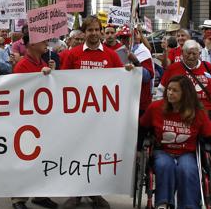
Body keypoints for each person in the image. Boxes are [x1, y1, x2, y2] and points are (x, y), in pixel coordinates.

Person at [61, 16, 133, 209]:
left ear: (101, 32)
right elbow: (61, 84)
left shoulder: (111, 56)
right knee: (76, 153)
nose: (93, 33)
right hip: (77, 116)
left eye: (96, 30)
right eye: (89, 30)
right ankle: (75, 193)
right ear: (83, 33)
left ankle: (95, 193)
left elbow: (121, 83)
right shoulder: (72, 54)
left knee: (98, 154)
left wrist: (128, 72)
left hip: (101, 118)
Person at [140, 76, 211, 209]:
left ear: (185, 93)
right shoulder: (156, 107)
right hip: (163, 150)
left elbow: (208, 135)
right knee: (164, 165)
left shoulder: (198, 112)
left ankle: (189, 205)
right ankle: (163, 203)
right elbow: (142, 127)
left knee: (187, 169)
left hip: (187, 152)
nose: (170, 93)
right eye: (169, 89)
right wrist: (139, 150)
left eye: (175, 90)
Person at [11, 32, 57, 209]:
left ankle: (40, 194)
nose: (47, 43)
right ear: (31, 44)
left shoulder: (43, 63)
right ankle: (18, 199)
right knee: (24, 160)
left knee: (42, 158)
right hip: (25, 121)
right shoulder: (22, 65)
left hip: (41, 120)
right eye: (43, 40)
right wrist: (40, 76)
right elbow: (21, 91)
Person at [160, 40, 211, 112]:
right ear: (182, 53)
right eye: (188, 53)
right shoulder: (173, 68)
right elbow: (161, 90)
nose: (191, 56)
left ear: (199, 54)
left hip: (206, 111)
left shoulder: (208, 67)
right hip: (181, 111)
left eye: (194, 53)